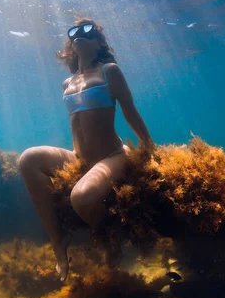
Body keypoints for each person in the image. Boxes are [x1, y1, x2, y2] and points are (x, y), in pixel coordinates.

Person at [19, 18, 154, 281]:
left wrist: (148, 144)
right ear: (70, 46)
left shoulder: (109, 71)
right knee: (28, 159)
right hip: (79, 158)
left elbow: (129, 111)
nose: (79, 34)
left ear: (98, 42)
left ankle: (109, 239)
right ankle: (58, 241)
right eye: (74, 32)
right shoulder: (67, 83)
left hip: (111, 156)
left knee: (80, 197)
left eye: (87, 30)